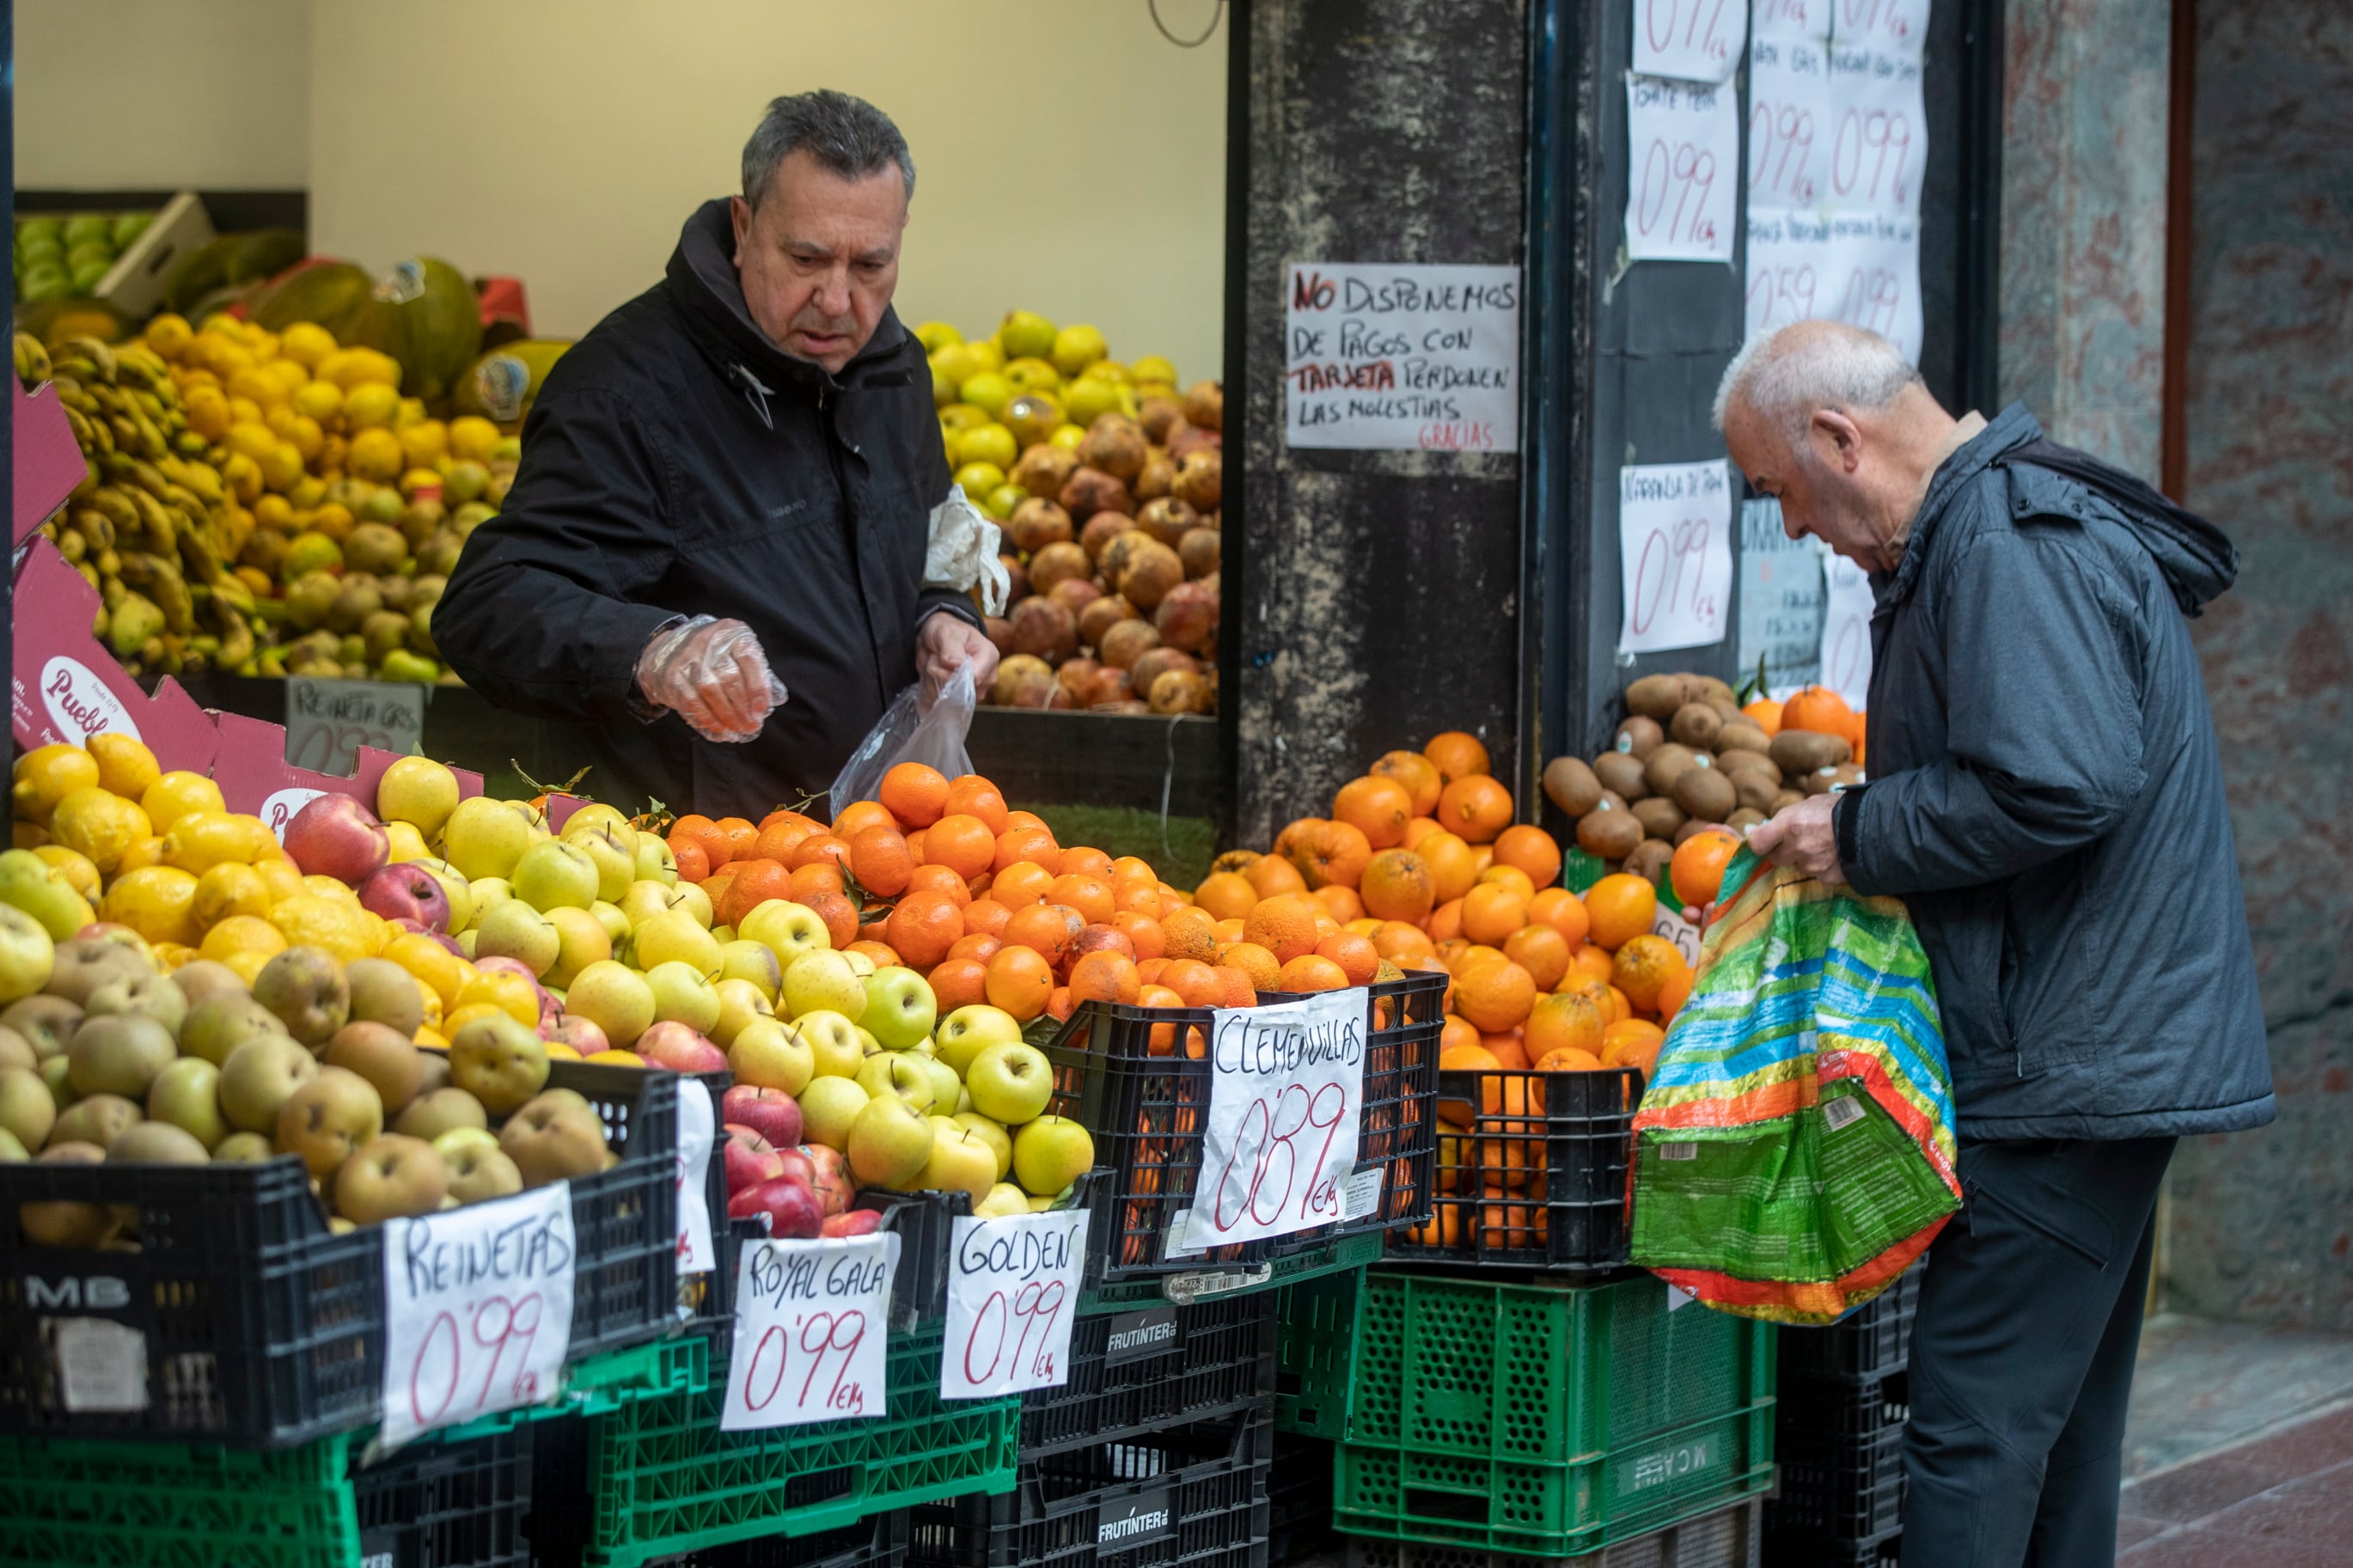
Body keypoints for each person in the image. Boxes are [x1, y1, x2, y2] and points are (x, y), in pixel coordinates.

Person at [1711, 321, 2272, 1568]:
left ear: (1837, 440)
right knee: (2048, 1430)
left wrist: (1857, 831)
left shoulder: (2009, 542)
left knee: (1970, 1431)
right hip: (2088, 1046)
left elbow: (2055, 782)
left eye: (1780, 492)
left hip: (2067, 1060)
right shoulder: (1991, 529)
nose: (1793, 528)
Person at [435, 90, 999, 817]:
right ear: (743, 225)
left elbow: (925, 550)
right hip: (687, 877)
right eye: (807, 258)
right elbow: (487, 605)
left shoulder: (893, 369)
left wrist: (945, 617)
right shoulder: (622, 390)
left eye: (871, 265)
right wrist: (653, 650)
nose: (836, 300)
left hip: (867, 852)